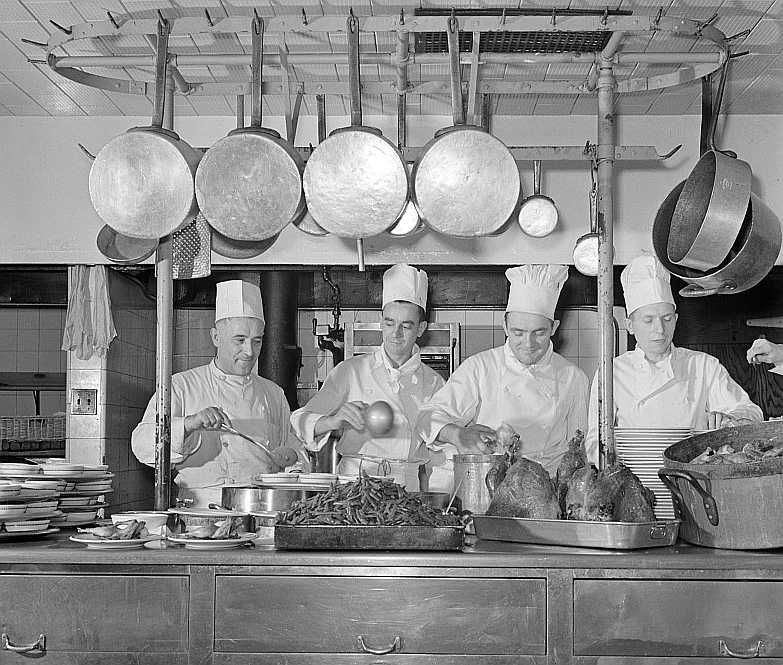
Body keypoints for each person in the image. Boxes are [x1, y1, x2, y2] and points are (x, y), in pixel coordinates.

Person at [131, 280, 305, 508]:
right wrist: (189, 424)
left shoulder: (273, 394)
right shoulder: (181, 386)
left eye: (257, 341)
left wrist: (291, 457)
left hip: (259, 509)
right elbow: (141, 445)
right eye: (240, 340)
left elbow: (295, 448)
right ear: (215, 337)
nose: (250, 352)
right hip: (199, 513)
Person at [585, 254, 763, 464]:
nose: (659, 329)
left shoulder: (703, 365)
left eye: (666, 319)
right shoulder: (611, 372)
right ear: (630, 326)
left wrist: (732, 419)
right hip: (632, 486)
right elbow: (595, 442)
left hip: (692, 485)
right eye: (648, 320)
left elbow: (752, 412)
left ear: (676, 320)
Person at [416, 265, 589, 477]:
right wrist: (459, 435)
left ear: (554, 328)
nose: (528, 343)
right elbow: (427, 418)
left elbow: (579, 451)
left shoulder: (573, 377)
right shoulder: (481, 367)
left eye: (539, 333)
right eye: (518, 332)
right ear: (505, 326)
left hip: (546, 492)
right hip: (490, 488)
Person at [290, 264, 446, 490]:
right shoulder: (351, 371)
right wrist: (333, 421)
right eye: (389, 323)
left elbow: (440, 455)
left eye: (406, 326)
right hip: (353, 489)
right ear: (381, 321)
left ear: (421, 329)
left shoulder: (434, 384)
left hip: (407, 493)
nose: (396, 334)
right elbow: (299, 421)